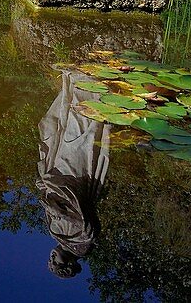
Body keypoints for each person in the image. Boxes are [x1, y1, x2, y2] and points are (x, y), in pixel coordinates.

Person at [37, 70, 111, 279]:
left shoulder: (57, 234)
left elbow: (52, 204)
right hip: (74, 177)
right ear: (68, 264)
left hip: (55, 174)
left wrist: (45, 189)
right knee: (77, 129)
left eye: (49, 261)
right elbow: (79, 214)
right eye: (56, 264)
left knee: (50, 127)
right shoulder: (83, 241)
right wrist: (56, 208)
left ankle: (73, 81)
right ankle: (87, 82)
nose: (51, 258)